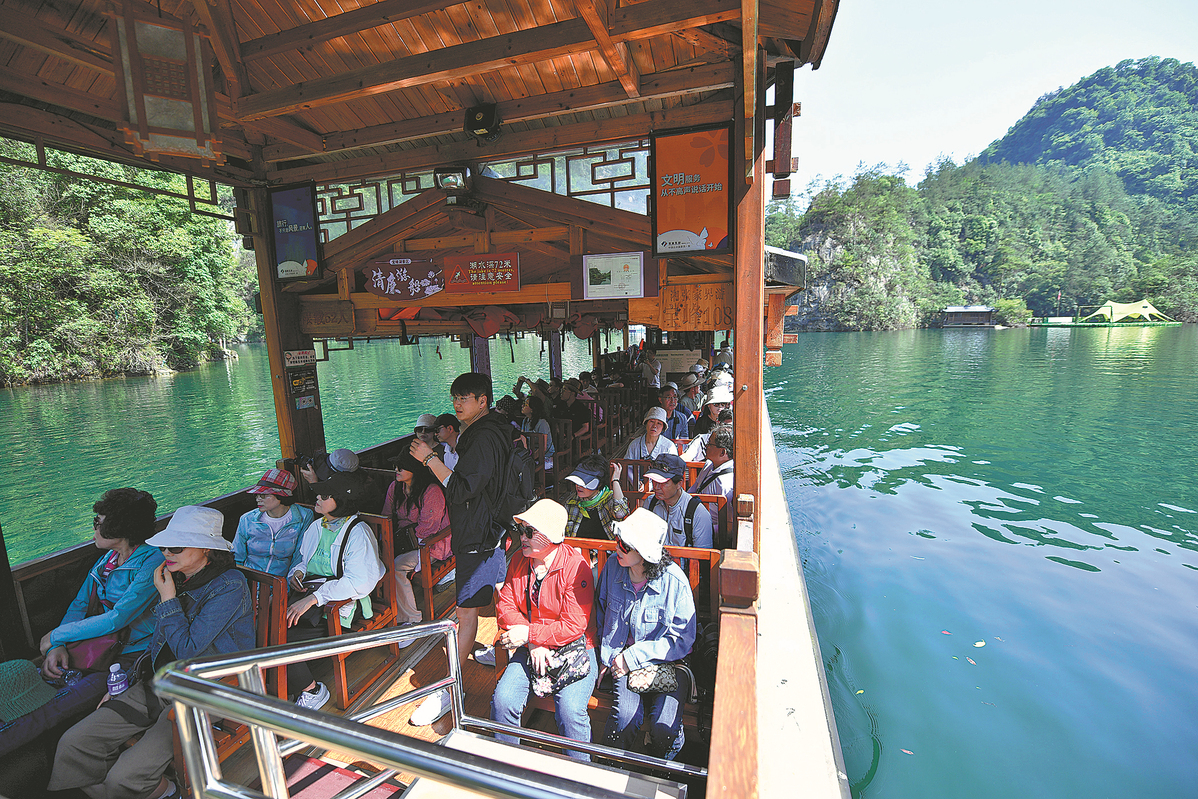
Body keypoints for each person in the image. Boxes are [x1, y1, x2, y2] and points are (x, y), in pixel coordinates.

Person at [49, 505, 254, 799]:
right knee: (74, 746)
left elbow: (186, 649)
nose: (167, 553)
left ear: (206, 549)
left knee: (123, 778)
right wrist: (128, 683)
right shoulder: (176, 577)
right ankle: (155, 793)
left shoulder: (229, 585)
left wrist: (167, 599)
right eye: (164, 546)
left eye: (176, 547)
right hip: (160, 683)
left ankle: (162, 792)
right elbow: (158, 642)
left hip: (208, 690)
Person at [1, 490, 163, 768]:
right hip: (91, 647)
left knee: (51, 706)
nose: (94, 528)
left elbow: (117, 619)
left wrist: (55, 635)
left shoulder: (151, 563)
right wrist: (56, 646)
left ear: (120, 527)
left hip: (124, 658)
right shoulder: (108, 560)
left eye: (97, 522)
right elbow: (79, 605)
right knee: (23, 684)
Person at [408, 372, 513, 725]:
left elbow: (460, 490)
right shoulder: (496, 429)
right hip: (494, 528)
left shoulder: (481, 438)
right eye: (454, 397)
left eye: (464, 398)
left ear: (483, 401)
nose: (456, 404)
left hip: (477, 535)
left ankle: (449, 690)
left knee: (465, 613)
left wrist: (429, 459)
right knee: (500, 592)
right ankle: (502, 651)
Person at [492, 500, 598, 760]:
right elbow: (505, 606)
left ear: (550, 535)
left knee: (570, 710)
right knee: (503, 700)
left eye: (530, 532)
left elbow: (574, 626)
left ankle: (580, 774)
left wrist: (530, 635)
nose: (522, 537)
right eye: (522, 530)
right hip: (533, 646)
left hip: (576, 649)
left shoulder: (575, 567)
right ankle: (506, 767)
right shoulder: (520, 560)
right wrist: (533, 642)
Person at [596, 509, 696, 759]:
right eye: (618, 540)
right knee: (625, 718)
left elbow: (682, 639)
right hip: (621, 657)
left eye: (624, 545)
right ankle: (610, 767)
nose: (617, 547)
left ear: (643, 553)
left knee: (665, 728)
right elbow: (601, 610)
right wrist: (604, 656)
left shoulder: (675, 582)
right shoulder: (613, 566)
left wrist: (633, 657)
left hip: (668, 663)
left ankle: (661, 767)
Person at [286, 471, 386, 709]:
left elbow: (359, 582)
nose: (317, 498)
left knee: (281, 642)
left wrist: (315, 598)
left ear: (341, 501)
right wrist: (298, 573)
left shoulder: (358, 533)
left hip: (341, 606)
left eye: (325, 496)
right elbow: (305, 561)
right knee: (267, 628)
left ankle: (313, 691)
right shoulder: (317, 526)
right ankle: (286, 686)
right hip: (313, 599)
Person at [384, 442, 451, 630]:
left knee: (396, 566)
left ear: (414, 469)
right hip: (404, 540)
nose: (396, 470)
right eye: (396, 465)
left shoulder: (431, 491)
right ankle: (390, 611)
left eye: (401, 466)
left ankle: (411, 619)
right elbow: (386, 515)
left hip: (431, 543)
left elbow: (428, 528)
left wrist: (403, 545)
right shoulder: (395, 487)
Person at [233, 469, 314, 577]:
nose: (258, 499)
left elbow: (299, 555)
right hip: (250, 579)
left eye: (263, 495)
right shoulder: (247, 519)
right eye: (257, 495)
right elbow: (237, 556)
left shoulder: (303, 516)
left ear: (281, 495)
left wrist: (289, 581)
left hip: (282, 580)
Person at [641, 455, 713, 550]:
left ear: (679, 484)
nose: (656, 487)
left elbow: (703, 554)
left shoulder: (698, 514)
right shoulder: (650, 503)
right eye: (654, 481)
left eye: (663, 483)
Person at [564, 456, 629, 539]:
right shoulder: (571, 503)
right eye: (577, 481)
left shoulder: (608, 499)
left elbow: (621, 513)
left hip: (607, 547)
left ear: (599, 484)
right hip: (578, 547)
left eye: (584, 482)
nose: (578, 486)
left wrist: (615, 481)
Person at [688, 426, 734, 531]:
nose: (706, 446)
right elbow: (693, 489)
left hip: (707, 529)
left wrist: (702, 530)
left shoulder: (726, 484)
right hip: (692, 518)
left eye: (710, 444)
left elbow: (728, 524)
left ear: (722, 452)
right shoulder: (709, 464)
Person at [624, 407, 678, 480]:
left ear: (663, 428)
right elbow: (627, 467)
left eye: (659, 423)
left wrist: (655, 484)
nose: (654, 426)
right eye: (652, 421)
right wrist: (636, 483)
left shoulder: (669, 447)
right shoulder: (634, 445)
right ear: (646, 423)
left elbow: (672, 471)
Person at [520, 394, 555, 471]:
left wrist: (531, 458)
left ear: (532, 410)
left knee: (527, 468)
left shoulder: (542, 423)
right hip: (531, 454)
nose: (522, 406)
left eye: (526, 405)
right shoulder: (525, 420)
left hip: (545, 456)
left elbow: (543, 447)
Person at [554, 379, 591, 443]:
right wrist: (561, 434)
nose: (561, 392)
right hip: (561, 438)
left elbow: (585, 427)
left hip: (576, 439)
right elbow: (556, 422)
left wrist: (573, 436)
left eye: (564, 390)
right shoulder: (560, 406)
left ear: (572, 393)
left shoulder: (581, 408)